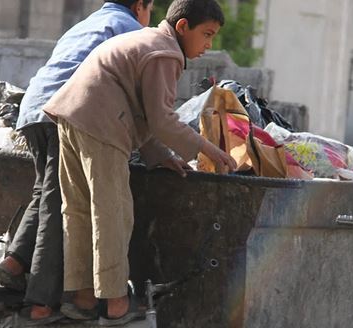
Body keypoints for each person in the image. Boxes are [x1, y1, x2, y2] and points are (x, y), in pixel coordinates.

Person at [42, 0, 237, 325]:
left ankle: (84, 298)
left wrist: (163, 157)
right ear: (182, 27)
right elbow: (161, 120)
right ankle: (115, 303)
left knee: (78, 211)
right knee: (113, 212)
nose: (208, 45)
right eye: (206, 34)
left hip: (71, 116)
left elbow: (144, 116)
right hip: (101, 125)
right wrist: (209, 150)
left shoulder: (146, 40)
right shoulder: (165, 53)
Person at [0, 0, 154, 325]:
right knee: (57, 204)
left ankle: (14, 263)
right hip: (64, 112)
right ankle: (40, 304)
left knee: (46, 192)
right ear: (140, 6)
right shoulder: (133, 30)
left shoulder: (88, 23)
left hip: (33, 108)